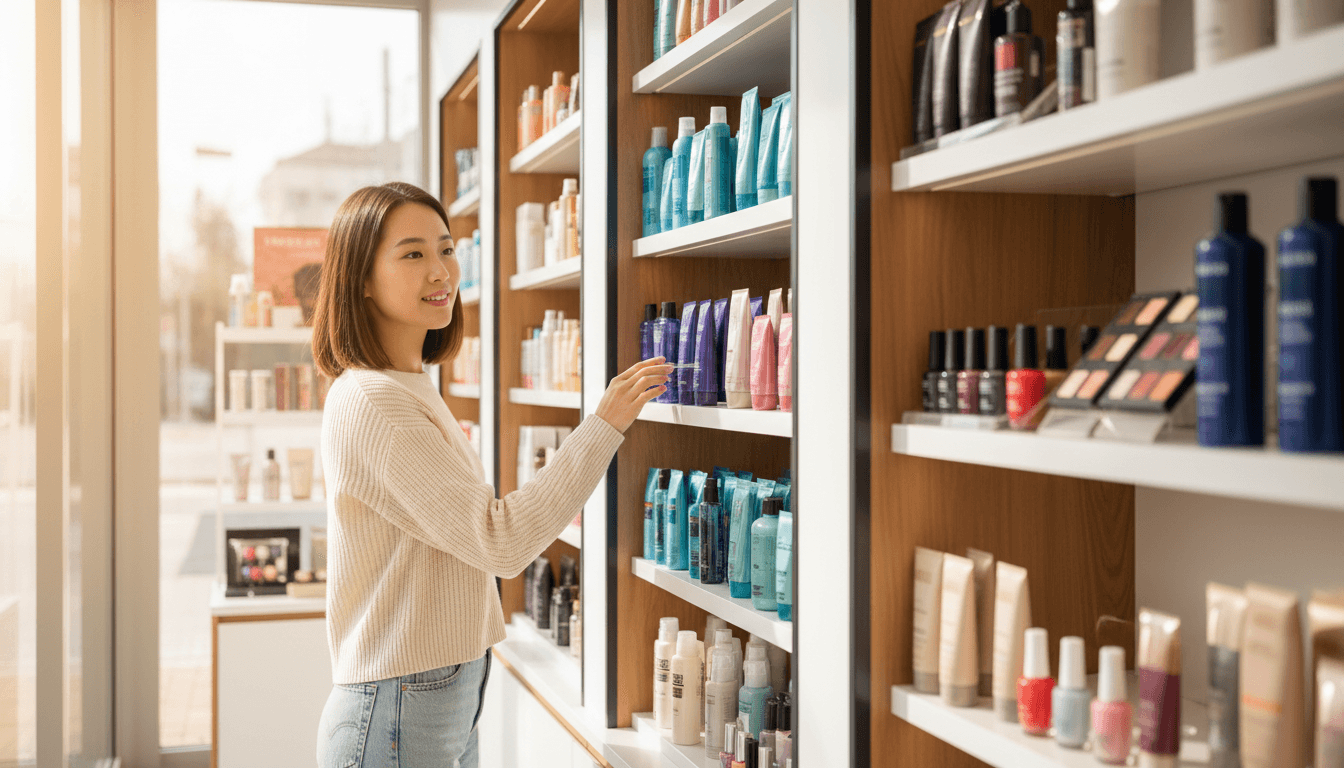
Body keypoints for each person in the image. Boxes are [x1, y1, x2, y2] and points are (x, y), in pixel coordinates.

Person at [310, 182, 669, 768]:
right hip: (398, 706)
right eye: (412, 253)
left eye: (446, 249)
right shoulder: (375, 400)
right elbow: (500, 541)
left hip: (435, 694)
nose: (441, 271)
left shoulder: (409, 385)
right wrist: (603, 425)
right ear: (361, 278)